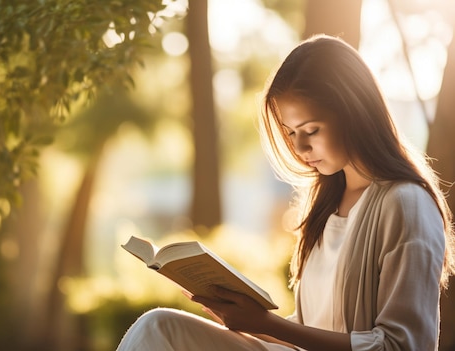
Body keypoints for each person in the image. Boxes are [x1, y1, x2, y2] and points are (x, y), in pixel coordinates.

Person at [115, 34, 455, 351]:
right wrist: (237, 315)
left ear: (355, 111)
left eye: (311, 129)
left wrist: (271, 325)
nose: (300, 146)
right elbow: (309, 331)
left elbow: (402, 344)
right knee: (159, 329)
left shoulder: (407, 204)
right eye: (290, 132)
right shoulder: (326, 205)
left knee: (157, 328)